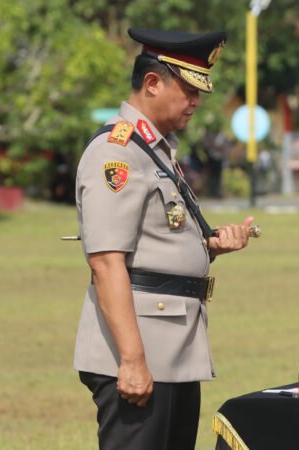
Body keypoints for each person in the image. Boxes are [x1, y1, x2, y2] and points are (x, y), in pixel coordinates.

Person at [73, 28, 256, 449]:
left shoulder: (153, 149)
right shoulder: (116, 152)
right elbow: (105, 261)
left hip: (173, 346)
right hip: (141, 350)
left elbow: (156, 240)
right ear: (152, 83)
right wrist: (133, 360)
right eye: (189, 89)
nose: (196, 101)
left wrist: (209, 246)